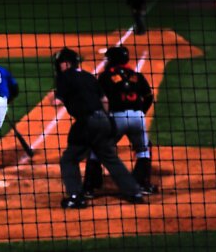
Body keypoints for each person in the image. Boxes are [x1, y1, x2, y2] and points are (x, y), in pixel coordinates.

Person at [53, 47, 143, 209]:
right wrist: (106, 120)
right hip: (104, 120)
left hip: (87, 122)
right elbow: (105, 100)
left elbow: (57, 102)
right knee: (109, 157)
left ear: (65, 64)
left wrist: (57, 98)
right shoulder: (88, 76)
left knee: (69, 159)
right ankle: (134, 192)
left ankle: (76, 196)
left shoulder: (64, 77)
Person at [83, 46, 157, 198]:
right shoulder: (137, 75)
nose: (106, 61)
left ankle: (90, 188)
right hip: (138, 117)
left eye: (108, 58)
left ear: (113, 60)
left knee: (97, 148)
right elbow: (149, 97)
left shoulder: (104, 77)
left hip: (116, 118)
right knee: (143, 150)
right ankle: (142, 185)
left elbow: (99, 99)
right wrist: (140, 113)